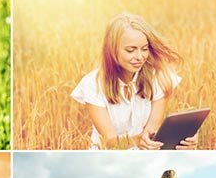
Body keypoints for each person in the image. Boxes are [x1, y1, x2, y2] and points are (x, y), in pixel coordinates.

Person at [70, 11, 196, 151]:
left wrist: (181, 140)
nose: (140, 57)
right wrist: (139, 140)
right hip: (109, 156)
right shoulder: (92, 84)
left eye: (144, 49)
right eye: (131, 50)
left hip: (144, 155)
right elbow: (110, 141)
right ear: (112, 50)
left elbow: (152, 132)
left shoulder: (158, 78)